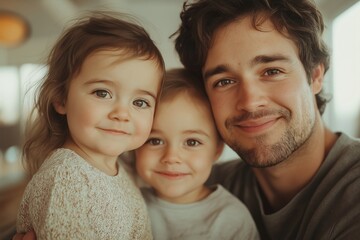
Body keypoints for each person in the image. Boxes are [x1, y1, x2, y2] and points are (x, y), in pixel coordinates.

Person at [173, 0, 360, 239]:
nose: (250, 102)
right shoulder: (200, 187)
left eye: (272, 71)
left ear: (315, 76)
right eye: (224, 82)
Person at [16, 11, 165, 239]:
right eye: (102, 93)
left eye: (140, 102)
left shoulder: (117, 171)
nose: (122, 114)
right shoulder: (66, 178)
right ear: (61, 98)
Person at [133, 68, 260, 240]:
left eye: (192, 142)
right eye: (155, 141)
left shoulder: (230, 219)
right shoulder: (130, 203)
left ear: (216, 150)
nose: (171, 157)